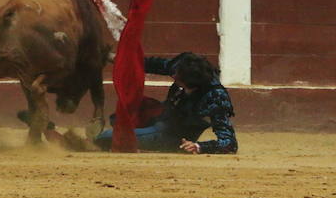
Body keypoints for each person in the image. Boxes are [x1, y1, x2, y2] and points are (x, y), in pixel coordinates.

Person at [93, 52, 238, 154]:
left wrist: (199, 146)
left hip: (172, 135)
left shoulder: (215, 97)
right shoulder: (185, 65)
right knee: (117, 119)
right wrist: (116, 59)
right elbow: (153, 64)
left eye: (177, 78)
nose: (173, 75)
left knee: (107, 137)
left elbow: (229, 143)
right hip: (164, 114)